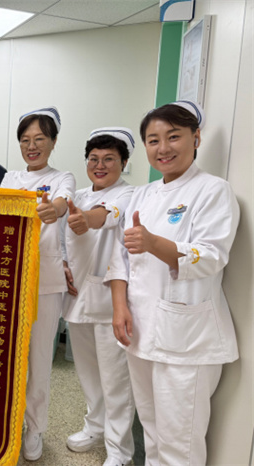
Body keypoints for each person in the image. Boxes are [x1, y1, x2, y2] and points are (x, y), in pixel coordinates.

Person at [106, 101, 239, 465]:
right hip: (140, 330)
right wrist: (119, 307)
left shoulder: (213, 191)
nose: (163, 148)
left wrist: (153, 243)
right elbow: (119, 257)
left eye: (173, 136)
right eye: (153, 140)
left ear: (196, 138)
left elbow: (211, 256)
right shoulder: (143, 194)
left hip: (186, 341)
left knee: (179, 443)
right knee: (151, 430)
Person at [0, 106, 75, 461]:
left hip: (45, 282)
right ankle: (6, 423)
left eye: (40, 139)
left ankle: (35, 428)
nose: (32, 147)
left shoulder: (62, 178)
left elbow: (62, 203)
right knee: (6, 357)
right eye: (25, 140)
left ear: (53, 142)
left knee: (40, 360)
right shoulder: (9, 178)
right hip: (8, 281)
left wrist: (53, 209)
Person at [62, 128, 136, 466]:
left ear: (124, 162)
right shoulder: (76, 195)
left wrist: (85, 220)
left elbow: (107, 214)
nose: (100, 165)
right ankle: (94, 426)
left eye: (109, 159)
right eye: (94, 159)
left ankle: (119, 450)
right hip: (78, 297)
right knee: (89, 375)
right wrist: (63, 265)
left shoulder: (130, 194)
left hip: (110, 303)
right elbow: (62, 240)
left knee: (115, 379)